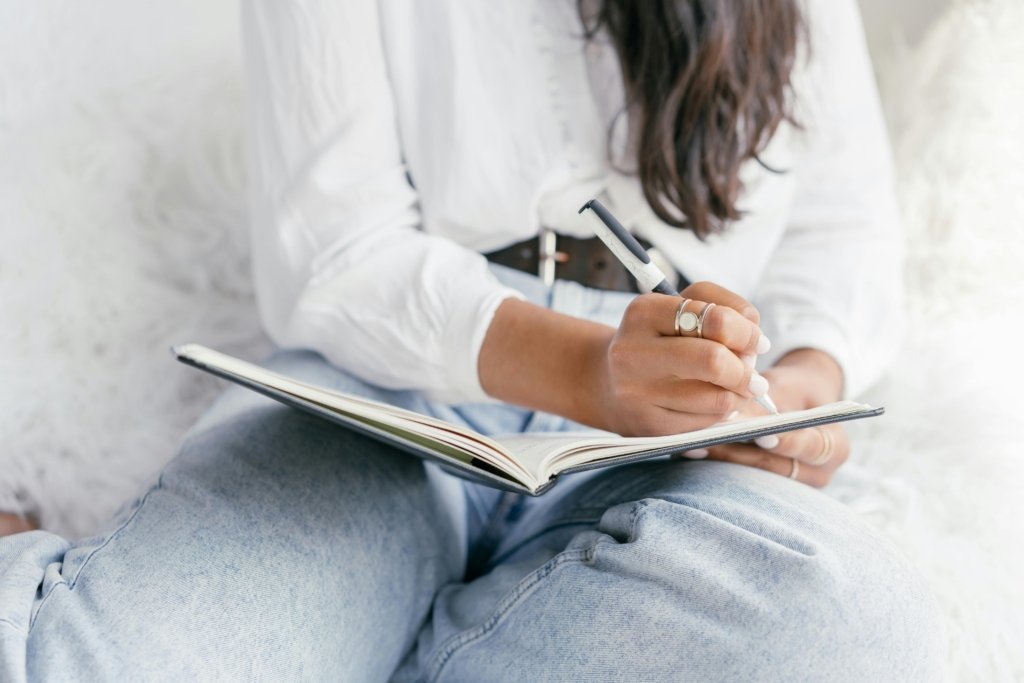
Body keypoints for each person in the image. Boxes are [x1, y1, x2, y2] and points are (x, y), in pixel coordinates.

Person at [0, 0, 946, 680]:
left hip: (670, 437)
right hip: (385, 388)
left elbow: (843, 236)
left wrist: (791, 399)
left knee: (862, 627)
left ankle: (352, 637)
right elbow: (331, 249)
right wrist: (591, 368)